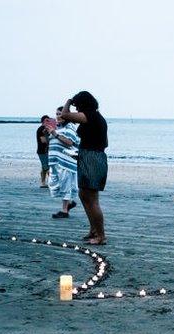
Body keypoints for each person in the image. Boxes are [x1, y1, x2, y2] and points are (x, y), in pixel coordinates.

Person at [59, 91, 108, 245]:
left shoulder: (90, 115)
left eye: (77, 105)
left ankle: (101, 236)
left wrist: (68, 101)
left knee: (92, 199)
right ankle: (93, 230)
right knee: (84, 195)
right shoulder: (96, 117)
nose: (76, 108)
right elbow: (105, 143)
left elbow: (65, 115)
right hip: (91, 156)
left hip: (92, 158)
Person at [46, 106, 80, 219]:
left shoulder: (70, 127)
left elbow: (69, 142)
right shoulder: (57, 127)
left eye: (60, 114)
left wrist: (55, 134)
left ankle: (64, 210)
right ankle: (68, 204)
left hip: (66, 161)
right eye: (56, 114)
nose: (57, 116)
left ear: (66, 115)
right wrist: (49, 132)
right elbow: (50, 141)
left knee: (66, 184)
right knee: (58, 184)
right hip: (56, 161)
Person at [37, 115, 51, 188]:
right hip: (42, 151)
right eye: (46, 120)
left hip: (46, 151)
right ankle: (53, 183)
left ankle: (43, 183)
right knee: (47, 168)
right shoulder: (41, 129)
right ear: (42, 121)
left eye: (49, 120)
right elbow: (43, 140)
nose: (48, 122)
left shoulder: (46, 129)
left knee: (44, 167)